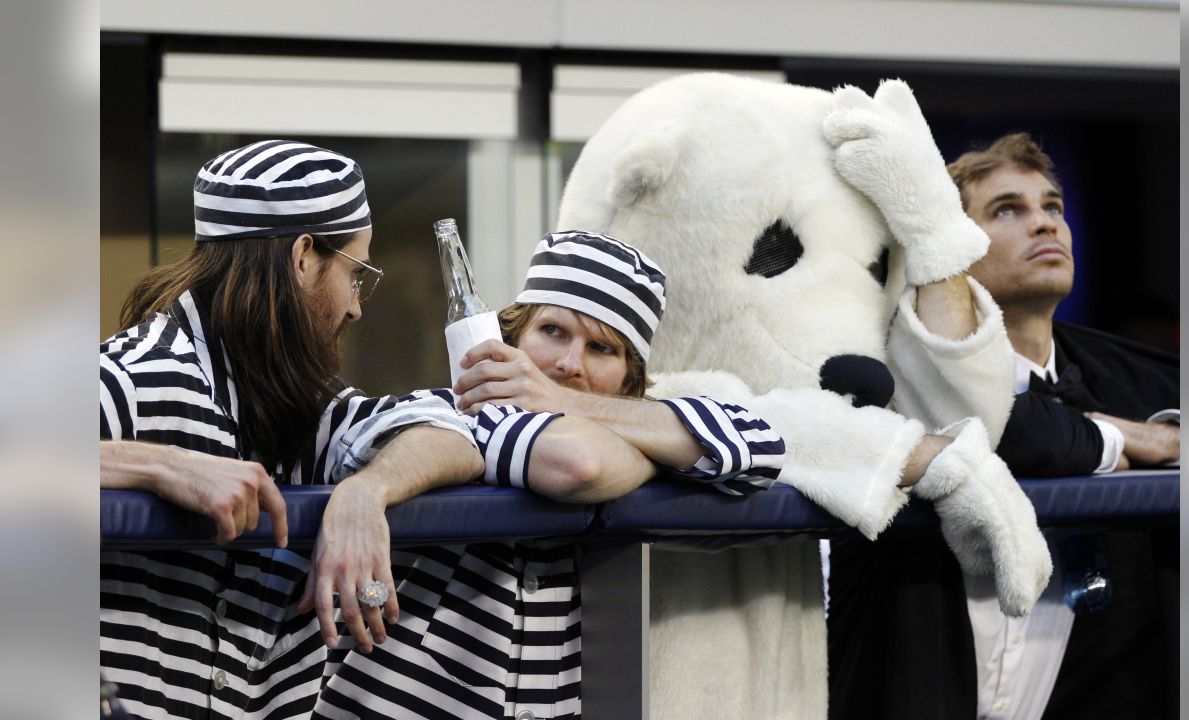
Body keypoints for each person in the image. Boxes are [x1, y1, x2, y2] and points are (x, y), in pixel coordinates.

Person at [308, 230, 787, 719]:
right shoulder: (450, 409)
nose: (567, 365)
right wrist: (654, 452)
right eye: (553, 331)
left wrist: (567, 406)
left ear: (628, 378)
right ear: (513, 336)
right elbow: (578, 463)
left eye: (602, 348)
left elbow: (763, 445)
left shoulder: (615, 419)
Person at [99, 140, 485, 719]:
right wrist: (161, 466)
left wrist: (365, 493)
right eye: (356, 274)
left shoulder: (305, 405)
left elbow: (457, 435)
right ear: (305, 257)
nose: (356, 308)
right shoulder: (133, 377)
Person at [826, 133, 1179, 719]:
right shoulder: (890, 368)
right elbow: (980, 417)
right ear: (950, 249)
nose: (1044, 225)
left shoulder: (1122, 372)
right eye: (1007, 209)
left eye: (1052, 207)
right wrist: (1121, 439)